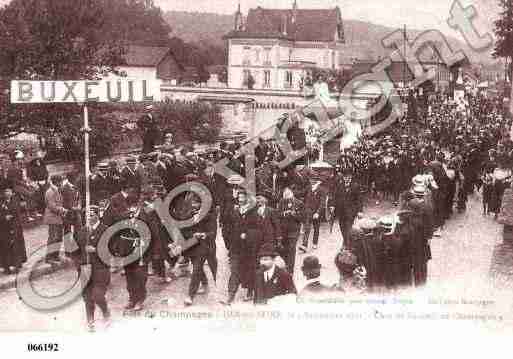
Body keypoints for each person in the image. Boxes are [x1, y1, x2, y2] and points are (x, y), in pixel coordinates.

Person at [75, 206, 111, 332]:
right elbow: (75, 251)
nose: (89, 218)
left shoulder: (105, 230)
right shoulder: (82, 231)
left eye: (92, 215)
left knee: (97, 295)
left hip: (100, 269)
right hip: (85, 268)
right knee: (87, 297)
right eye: (87, 215)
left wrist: (96, 250)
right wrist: (79, 264)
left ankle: (106, 312)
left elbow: (110, 251)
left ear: (98, 215)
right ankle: (90, 320)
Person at [180, 193, 217, 306]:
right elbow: (183, 231)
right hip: (192, 246)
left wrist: (203, 234)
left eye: (197, 203)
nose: (195, 205)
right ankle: (205, 283)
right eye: (193, 203)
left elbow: (213, 233)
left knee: (196, 270)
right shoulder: (187, 215)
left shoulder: (210, 217)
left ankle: (190, 295)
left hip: (205, 246)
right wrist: (192, 235)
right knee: (197, 267)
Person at [329, 167, 363, 248]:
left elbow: (359, 199)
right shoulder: (339, 185)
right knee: (342, 227)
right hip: (341, 211)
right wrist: (332, 205)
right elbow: (334, 196)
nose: (346, 179)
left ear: (351, 177)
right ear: (343, 177)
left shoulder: (355, 186)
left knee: (348, 228)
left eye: (348, 177)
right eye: (345, 177)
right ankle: (345, 240)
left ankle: (347, 245)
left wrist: (360, 211)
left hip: (351, 212)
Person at [277, 187, 305, 276]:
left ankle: (290, 270)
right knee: (284, 249)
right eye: (285, 194)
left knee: (292, 249)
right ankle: (285, 267)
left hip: (294, 230)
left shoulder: (299, 203)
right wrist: (284, 213)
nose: (286, 196)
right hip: (283, 230)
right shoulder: (281, 202)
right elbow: (277, 214)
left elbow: (302, 217)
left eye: (288, 194)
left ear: (292, 193)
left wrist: (295, 214)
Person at [0, 186, 27, 274]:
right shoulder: (1, 203)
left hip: (15, 227)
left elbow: (19, 214)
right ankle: (6, 266)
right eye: (6, 191)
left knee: (16, 246)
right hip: (4, 229)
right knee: (6, 247)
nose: (7, 193)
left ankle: (17, 264)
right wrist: (4, 218)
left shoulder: (15, 202)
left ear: (12, 193)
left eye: (9, 191)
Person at [43, 175, 67, 263]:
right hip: (52, 218)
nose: (61, 183)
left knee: (59, 238)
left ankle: (55, 255)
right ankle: (49, 257)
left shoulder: (56, 190)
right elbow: (52, 206)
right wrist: (62, 210)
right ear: (57, 182)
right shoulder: (50, 192)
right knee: (53, 237)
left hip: (58, 217)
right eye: (60, 181)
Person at [300, 180, 325, 252]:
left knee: (316, 228)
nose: (312, 182)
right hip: (308, 212)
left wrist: (318, 212)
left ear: (318, 182)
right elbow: (301, 194)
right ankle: (304, 245)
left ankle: (315, 242)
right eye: (311, 181)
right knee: (307, 228)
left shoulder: (321, 190)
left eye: (314, 181)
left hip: (317, 212)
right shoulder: (308, 188)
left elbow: (322, 203)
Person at [26, 149, 49, 217]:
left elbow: (46, 172)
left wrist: (47, 179)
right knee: (39, 194)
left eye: (39, 158)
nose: (38, 159)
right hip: (36, 182)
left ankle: (47, 209)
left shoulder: (42, 163)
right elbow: (29, 176)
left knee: (46, 193)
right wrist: (35, 183)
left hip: (45, 181)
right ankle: (41, 210)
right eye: (37, 158)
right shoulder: (30, 166)